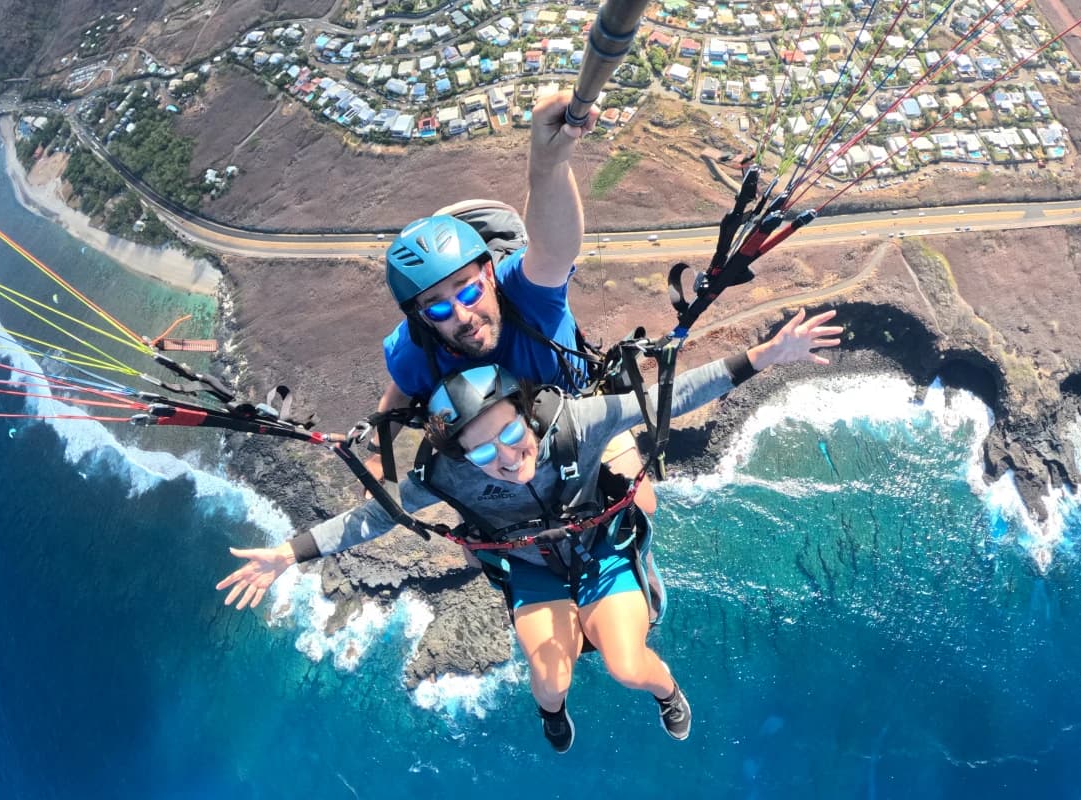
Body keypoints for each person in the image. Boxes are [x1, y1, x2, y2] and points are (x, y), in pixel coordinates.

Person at [217, 308, 844, 753]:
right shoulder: (448, 478)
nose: (508, 455)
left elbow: (668, 399)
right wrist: (287, 554)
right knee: (549, 677)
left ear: (530, 417)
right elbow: (371, 518)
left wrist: (768, 355)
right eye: (486, 452)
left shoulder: (575, 423)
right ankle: (554, 715)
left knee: (628, 664)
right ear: (461, 459)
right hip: (536, 569)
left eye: (513, 434)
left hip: (602, 555)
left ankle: (669, 693)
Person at [367, 91, 658, 515]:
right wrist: (378, 455)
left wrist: (548, 161)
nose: (464, 316)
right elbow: (401, 388)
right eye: (439, 308)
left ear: (488, 274)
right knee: (480, 547)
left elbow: (554, 248)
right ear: (421, 317)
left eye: (468, 291)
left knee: (640, 509)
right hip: (495, 447)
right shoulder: (417, 346)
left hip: (576, 414)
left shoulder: (524, 294)